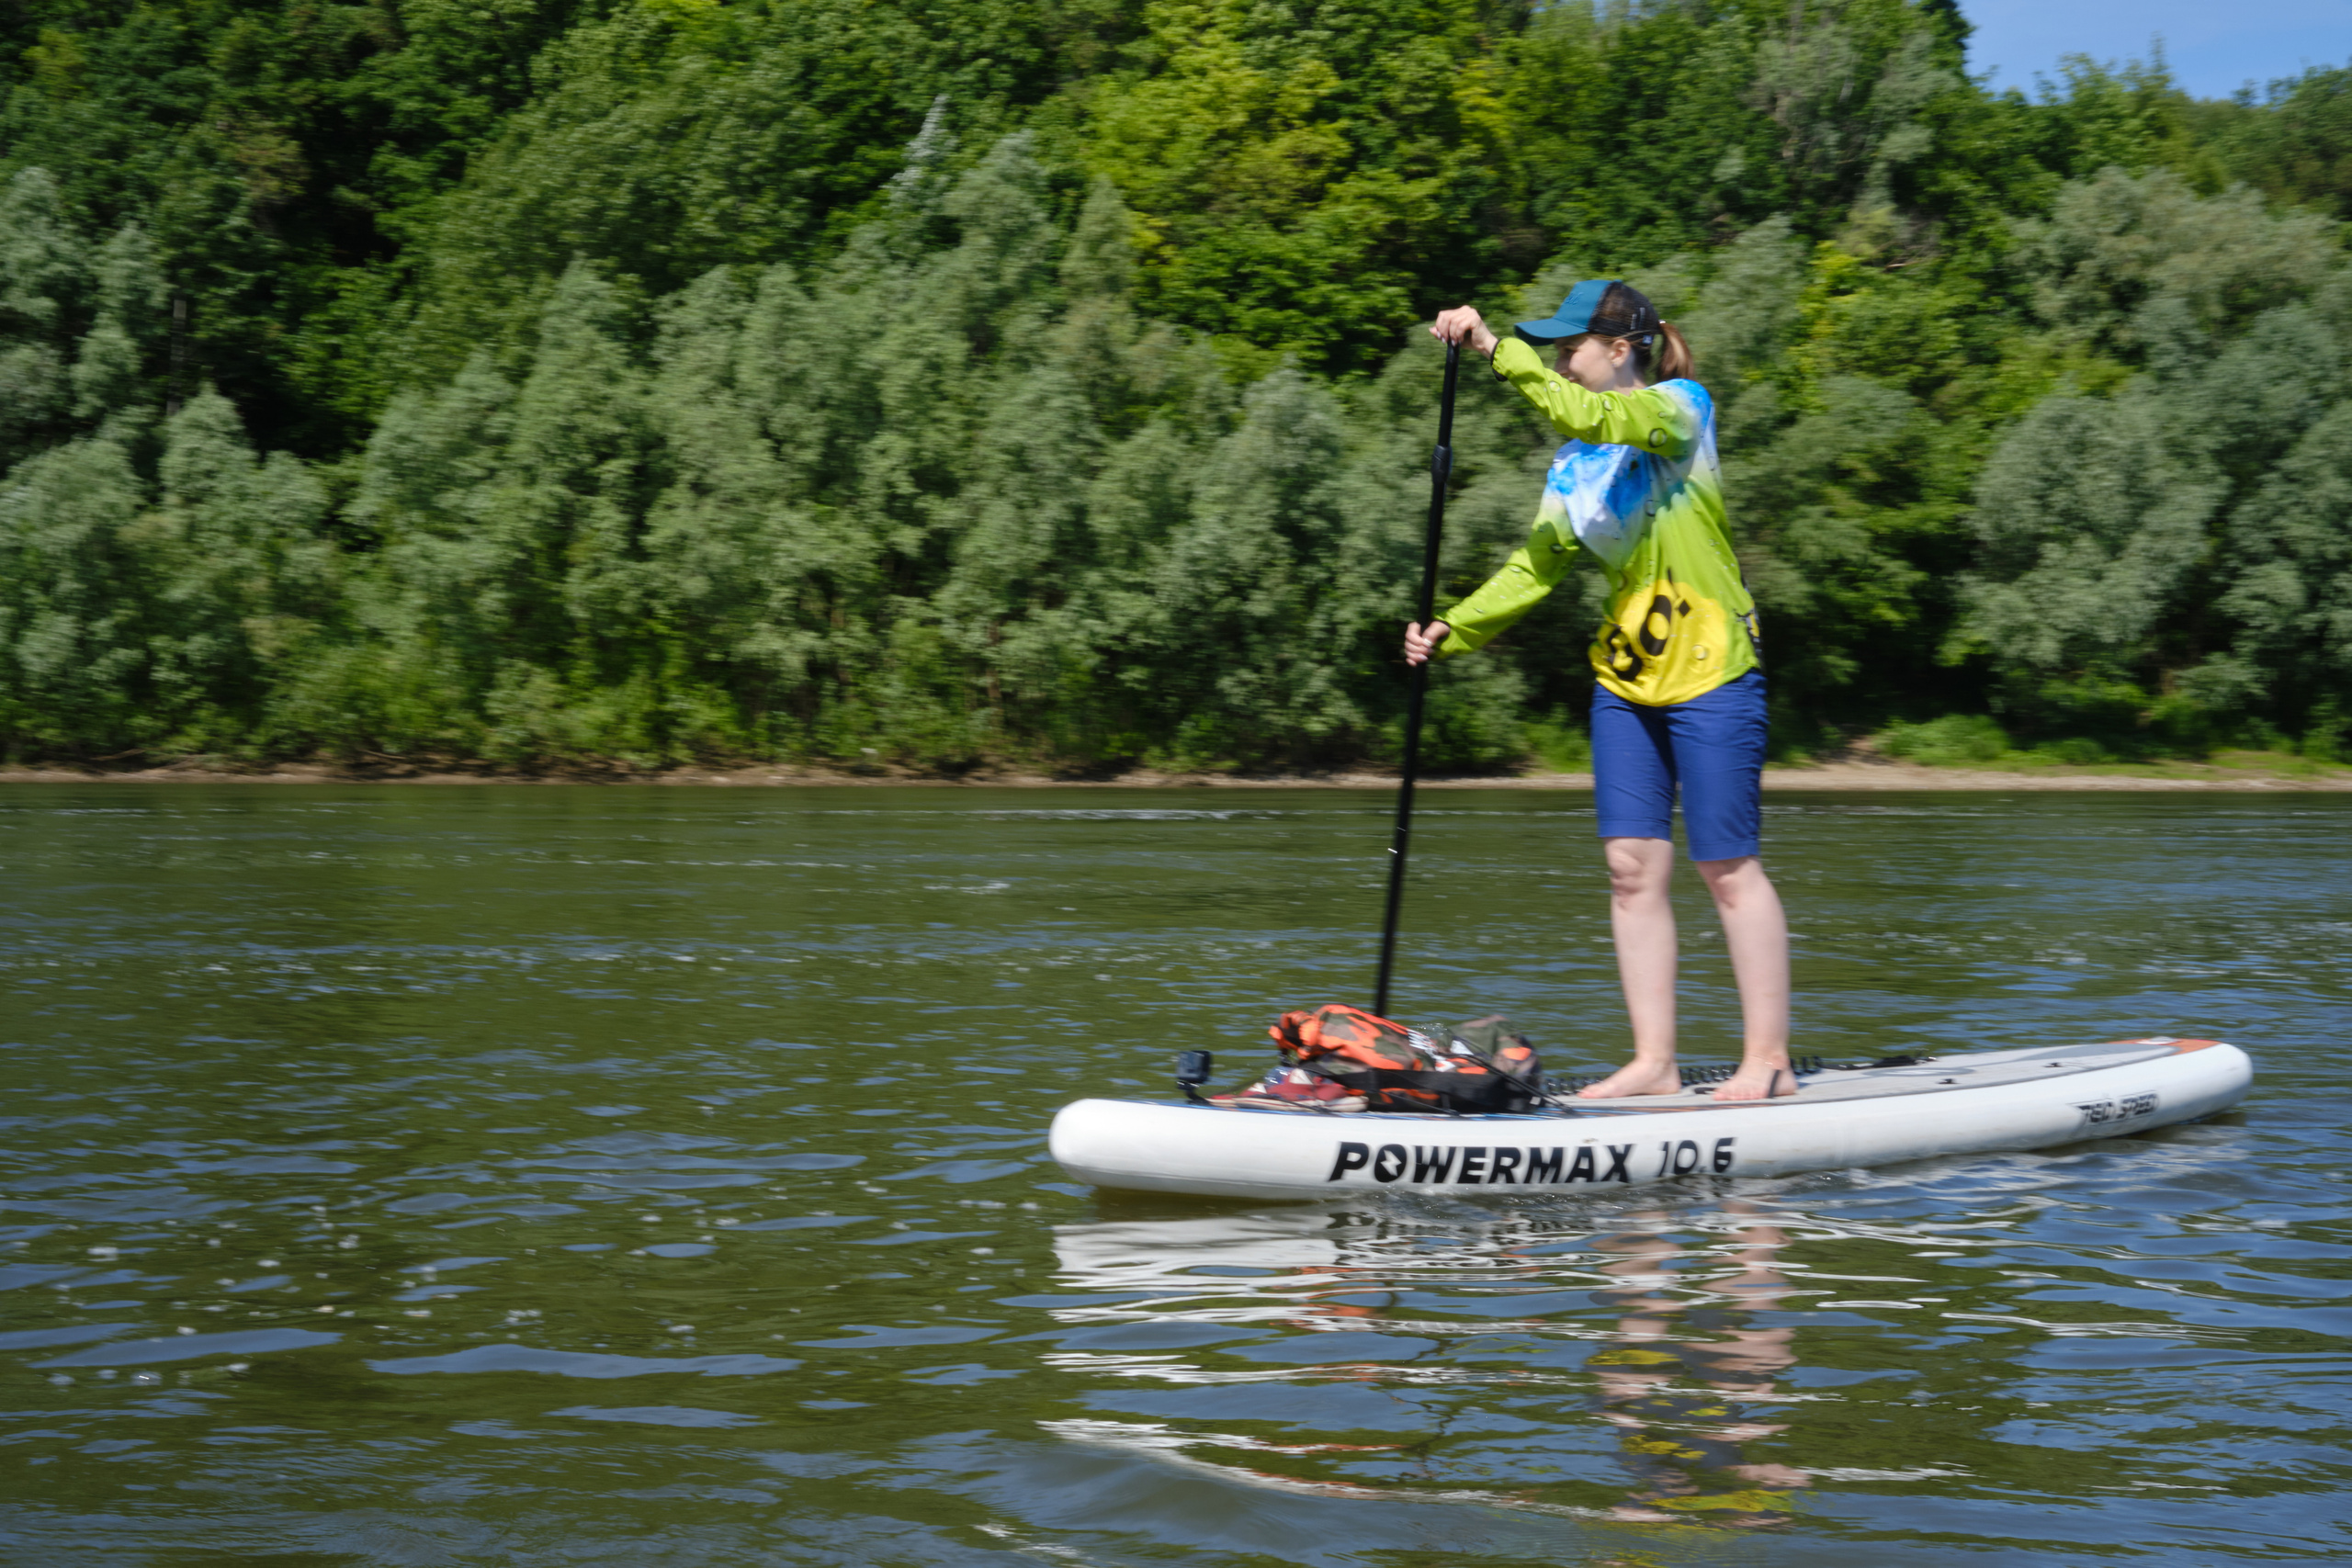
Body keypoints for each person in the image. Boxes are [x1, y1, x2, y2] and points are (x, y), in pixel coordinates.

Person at [1410, 281, 1793, 1100]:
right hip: (1627, 677)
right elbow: (1535, 566)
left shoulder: (1678, 409)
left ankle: (1769, 1061)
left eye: (1568, 348)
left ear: (1620, 349)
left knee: (1726, 866)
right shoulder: (1573, 466)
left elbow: (1596, 416)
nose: (1561, 362)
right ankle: (1654, 1063)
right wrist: (1455, 625)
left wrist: (1492, 350)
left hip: (1715, 664)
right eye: (1552, 352)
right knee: (1629, 867)